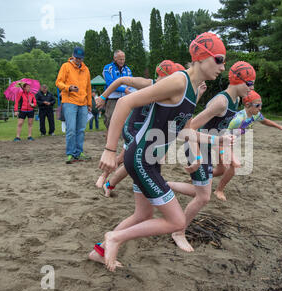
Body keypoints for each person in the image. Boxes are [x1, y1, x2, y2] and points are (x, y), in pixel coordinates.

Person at [89, 32, 235, 272]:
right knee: (176, 221)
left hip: (149, 160)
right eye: (219, 59)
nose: (222, 66)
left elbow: (185, 131)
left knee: (143, 214)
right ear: (201, 57)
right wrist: (109, 149)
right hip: (140, 159)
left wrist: (216, 141)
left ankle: (100, 250)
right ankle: (114, 238)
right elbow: (126, 102)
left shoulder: (192, 90)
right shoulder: (179, 81)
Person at [166, 61, 256, 252]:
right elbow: (190, 128)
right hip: (196, 146)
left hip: (207, 147)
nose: (252, 89)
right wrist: (198, 158)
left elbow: (217, 129)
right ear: (237, 80)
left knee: (200, 193)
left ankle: (166, 186)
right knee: (203, 197)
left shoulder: (236, 101)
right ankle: (178, 232)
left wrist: (223, 141)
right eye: (249, 84)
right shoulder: (222, 102)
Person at [94, 61, 197, 198]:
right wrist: (103, 96)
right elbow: (121, 80)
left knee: (129, 158)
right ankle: (108, 181)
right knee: (137, 159)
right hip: (133, 128)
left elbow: (178, 119)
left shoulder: (174, 92)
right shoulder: (149, 84)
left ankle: (109, 180)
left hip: (148, 131)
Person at [213, 90, 282, 201]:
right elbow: (221, 132)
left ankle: (199, 179)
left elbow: (264, 120)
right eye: (257, 105)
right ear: (247, 105)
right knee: (234, 164)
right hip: (219, 141)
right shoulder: (238, 119)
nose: (260, 108)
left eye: (261, 105)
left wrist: (279, 126)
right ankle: (219, 190)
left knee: (220, 170)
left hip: (227, 143)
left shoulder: (255, 115)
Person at [55, 46, 93, 164]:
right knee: (71, 129)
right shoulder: (65, 66)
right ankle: (70, 154)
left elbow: (88, 87)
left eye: (80, 59)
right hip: (69, 101)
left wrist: (89, 103)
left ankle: (79, 152)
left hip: (83, 103)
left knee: (81, 129)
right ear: (73, 56)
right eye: (77, 58)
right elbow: (58, 82)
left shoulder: (86, 69)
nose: (78, 61)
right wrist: (68, 88)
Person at [102, 50, 133, 138]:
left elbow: (131, 81)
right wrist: (124, 89)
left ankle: (125, 146)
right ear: (115, 58)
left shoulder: (127, 69)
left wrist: (128, 89)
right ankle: (108, 147)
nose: (122, 61)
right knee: (110, 121)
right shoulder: (108, 68)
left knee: (127, 122)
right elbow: (110, 83)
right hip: (112, 99)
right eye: (120, 59)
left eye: (123, 59)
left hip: (125, 99)